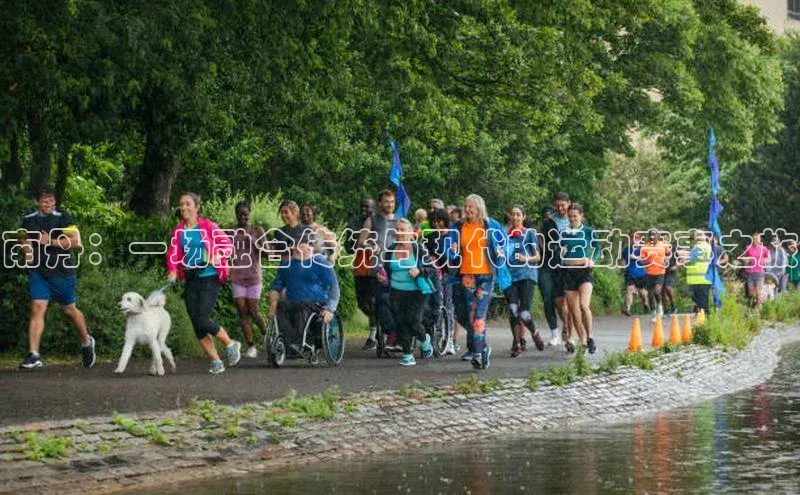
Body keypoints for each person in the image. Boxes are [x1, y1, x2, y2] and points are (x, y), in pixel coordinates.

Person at [18, 187, 96, 370]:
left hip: (62, 272)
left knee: (69, 310)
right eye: (45, 201)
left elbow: (76, 242)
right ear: (37, 202)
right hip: (39, 272)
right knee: (37, 308)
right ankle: (34, 355)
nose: (49, 204)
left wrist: (51, 242)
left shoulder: (63, 218)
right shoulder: (28, 220)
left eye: (52, 201)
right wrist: (27, 252)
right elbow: (23, 239)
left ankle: (86, 342)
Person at [167, 192, 241, 374]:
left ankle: (230, 343)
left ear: (197, 207)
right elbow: (173, 253)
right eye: (181, 204)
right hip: (191, 278)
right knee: (196, 322)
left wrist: (218, 255)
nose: (183, 207)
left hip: (210, 276)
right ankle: (215, 360)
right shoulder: (179, 230)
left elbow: (228, 247)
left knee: (202, 318)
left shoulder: (209, 227)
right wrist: (172, 270)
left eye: (188, 204)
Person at [447, 194, 512, 370]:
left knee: (478, 315)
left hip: (486, 274)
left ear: (479, 208)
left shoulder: (490, 225)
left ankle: (477, 352)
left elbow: (505, 243)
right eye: (465, 206)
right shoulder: (458, 226)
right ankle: (483, 349)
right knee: (469, 314)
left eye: (470, 207)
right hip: (467, 274)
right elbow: (449, 248)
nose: (467, 209)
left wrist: (501, 252)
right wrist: (452, 251)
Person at [268, 232, 340, 355]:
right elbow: (276, 287)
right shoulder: (286, 266)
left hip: (316, 304)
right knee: (281, 307)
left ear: (309, 247)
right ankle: (290, 343)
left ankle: (297, 343)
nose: (293, 248)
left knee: (302, 305)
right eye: (293, 245)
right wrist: (273, 302)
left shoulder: (321, 263)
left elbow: (334, 288)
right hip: (293, 303)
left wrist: (330, 308)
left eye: (298, 245)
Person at [380, 218, 434, 366]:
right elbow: (386, 270)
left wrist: (419, 270)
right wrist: (383, 278)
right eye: (397, 230)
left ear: (411, 233)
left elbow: (432, 269)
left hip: (417, 291)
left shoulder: (418, 249)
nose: (399, 233)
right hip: (396, 291)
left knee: (413, 321)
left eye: (403, 230)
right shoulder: (391, 249)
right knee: (400, 322)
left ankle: (424, 339)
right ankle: (408, 354)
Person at [357, 190, 398, 351]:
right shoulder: (371, 220)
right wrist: (370, 247)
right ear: (380, 203)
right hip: (377, 268)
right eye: (387, 201)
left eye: (392, 202)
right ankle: (381, 334)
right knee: (376, 302)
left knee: (395, 301)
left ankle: (396, 335)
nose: (390, 205)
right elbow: (361, 242)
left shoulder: (400, 221)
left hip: (396, 268)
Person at [559, 204, 600, 354]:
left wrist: (592, 260)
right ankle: (582, 339)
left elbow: (597, 248)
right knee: (573, 310)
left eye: (575, 216)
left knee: (583, 305)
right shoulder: (565, 233)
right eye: (570, 216)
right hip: (569, 272)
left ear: (581, 216)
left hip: (584, 271)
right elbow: (561, 251)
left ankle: (590, 337)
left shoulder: (588, 231)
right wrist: (562, 252)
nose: (572, 219)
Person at [229, 201, 267, 358]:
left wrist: (252, 240)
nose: (243, 216)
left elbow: (266, 253)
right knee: (242, 311)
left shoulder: (257, 230)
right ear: (236, 214)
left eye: (246, 213)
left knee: (254, 311)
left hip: (253, 276)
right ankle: (251, 346)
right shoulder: (231, 231)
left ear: (249, 213)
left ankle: (267, 333)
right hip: (237, 276)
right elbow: (223, 250)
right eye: (240, 213)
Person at [504, 205, 543, 357]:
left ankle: (534, 333)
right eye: (512, 214)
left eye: (518, 214)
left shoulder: (529, 234)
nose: (515, 217)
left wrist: (526, 258)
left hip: (526, 275)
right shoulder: (505, 234)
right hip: (509, 276)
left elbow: (537, 256)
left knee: (524, 312)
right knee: (513, 310)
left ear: (523, 217)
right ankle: (517, 343)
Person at [539, 192, 571, 347]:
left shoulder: (575, 221)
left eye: (562, 205)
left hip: (566, 267)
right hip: (548, 265)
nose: (560, 208)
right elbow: (541, 241)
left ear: (569, 204)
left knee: (562, 302)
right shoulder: (549, 222)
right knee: (547, 299)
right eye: (557, 206)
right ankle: (554, 333)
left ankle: (568, 327)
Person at [346, 198, 378, 348]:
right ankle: (376, 325)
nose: (365, 210)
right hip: (360, 267)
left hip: (377, 267)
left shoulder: (380, 222)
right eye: (362, 207)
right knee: (362, 303)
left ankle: (374, 335)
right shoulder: (355, 223)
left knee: (374, 301)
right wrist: (358, 242)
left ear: (375, 208)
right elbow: (348, 245)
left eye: (368, 207)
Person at [422, 208, 455, 354]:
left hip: (449, 273)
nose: (436, 224)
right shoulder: (430, 238)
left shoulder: (452, 236)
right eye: (433, 221)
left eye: (439, 221)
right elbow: (424, 255)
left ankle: (449, 340)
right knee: (433, 303)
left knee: (448, 304)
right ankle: (433, 335)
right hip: (434, 273)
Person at [640, 229, 671, 322]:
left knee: (657, 292)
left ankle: (659, 307)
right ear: (649, 236)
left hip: (660, 272)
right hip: (649, 273)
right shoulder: (645, 247)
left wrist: (666, 260)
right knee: (650, 295)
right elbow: (642, 259)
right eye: (651, 235)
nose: (653, 236)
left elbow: (669, 254)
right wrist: (643, 261)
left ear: (658, 236)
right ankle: (653, 312)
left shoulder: (663, 245)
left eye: (654, 235)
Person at [684, 230, 712, 314]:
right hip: (704, 279)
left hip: (697, 280)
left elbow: (689, 260)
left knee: (701, 305)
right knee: (703, 304)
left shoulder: (698, 247)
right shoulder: (707, 246)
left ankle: (703, 323)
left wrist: (683, 256)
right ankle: (705, 322)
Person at [621, 232, 649, 317]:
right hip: (630, 273)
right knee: (629, 289)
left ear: (639, 240)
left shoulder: (642, 249)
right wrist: (622, 267)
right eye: (633, 239)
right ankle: (627, 309)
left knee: (643, 293)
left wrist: (638, 258)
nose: (634, 240)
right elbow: (623, 260)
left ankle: (646, 305)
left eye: (636, 239)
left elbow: (647, 260)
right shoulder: (626, 250)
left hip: (641, 274)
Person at [742, 232, 771, 311]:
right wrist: (746, 260)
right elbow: (743, 257)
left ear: (760, 240)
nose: (755, 240)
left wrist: (765, 260)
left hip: (759, 272)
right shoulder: (748, 247)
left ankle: (758, 309)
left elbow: (769, 258)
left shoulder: (764, 248)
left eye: (756, 239)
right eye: (754, 239)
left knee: (758, 292)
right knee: (751, 293)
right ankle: (760, 301)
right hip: (750, 272)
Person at [662, 238, 679, 314]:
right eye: (663, 240)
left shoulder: (673, 249)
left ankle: (673, 304)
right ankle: (665, 309)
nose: (664, 241)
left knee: (668, 287)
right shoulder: (659, 249)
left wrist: (676, 266)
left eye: (666, 239)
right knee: (661, 291)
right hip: (660, 271)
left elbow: (680, 259)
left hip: (670, 272)